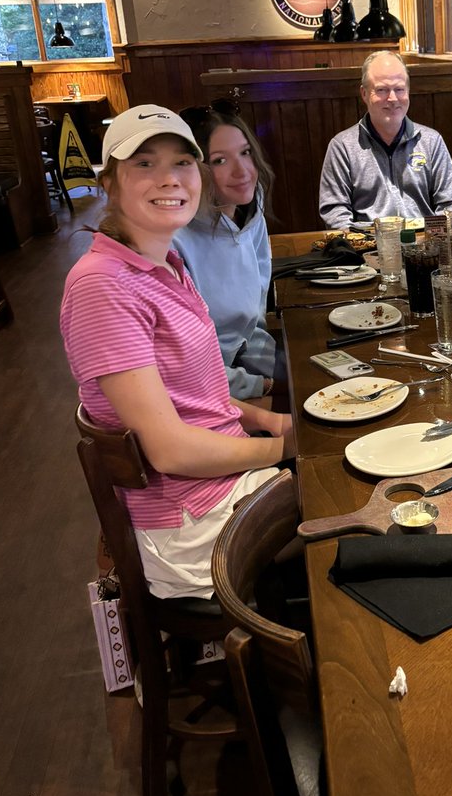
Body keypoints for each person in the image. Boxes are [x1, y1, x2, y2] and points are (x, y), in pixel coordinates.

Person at [60, 105, 297, 600]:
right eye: (144, 164)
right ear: (110, 183)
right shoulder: (102, 286)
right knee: (363, 506)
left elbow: (192, 395)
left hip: (224, 486)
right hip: (191, 527)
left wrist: (270, 420)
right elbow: (169, 450)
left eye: (182, 163)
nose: (169, 179)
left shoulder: (164, 263)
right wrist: (285, 450)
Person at [173, 101, 282, 404]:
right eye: (220, 161)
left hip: (252, 358)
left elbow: (254, 320)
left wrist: (283, 370)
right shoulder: (174, 242)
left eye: (245, 153)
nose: (242, 171)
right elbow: (187, 369)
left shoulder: (251, 205)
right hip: (210, 390)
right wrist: (264, 387)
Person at [318, 50, 452, 227]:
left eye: (399, 89)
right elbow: (334, 212)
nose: (392, 98)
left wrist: (432, 239)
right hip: (367, 247)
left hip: (425, 245)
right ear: (364, 94)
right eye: (382, 90)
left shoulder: (431, 141)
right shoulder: (342, 146)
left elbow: (450, 204)